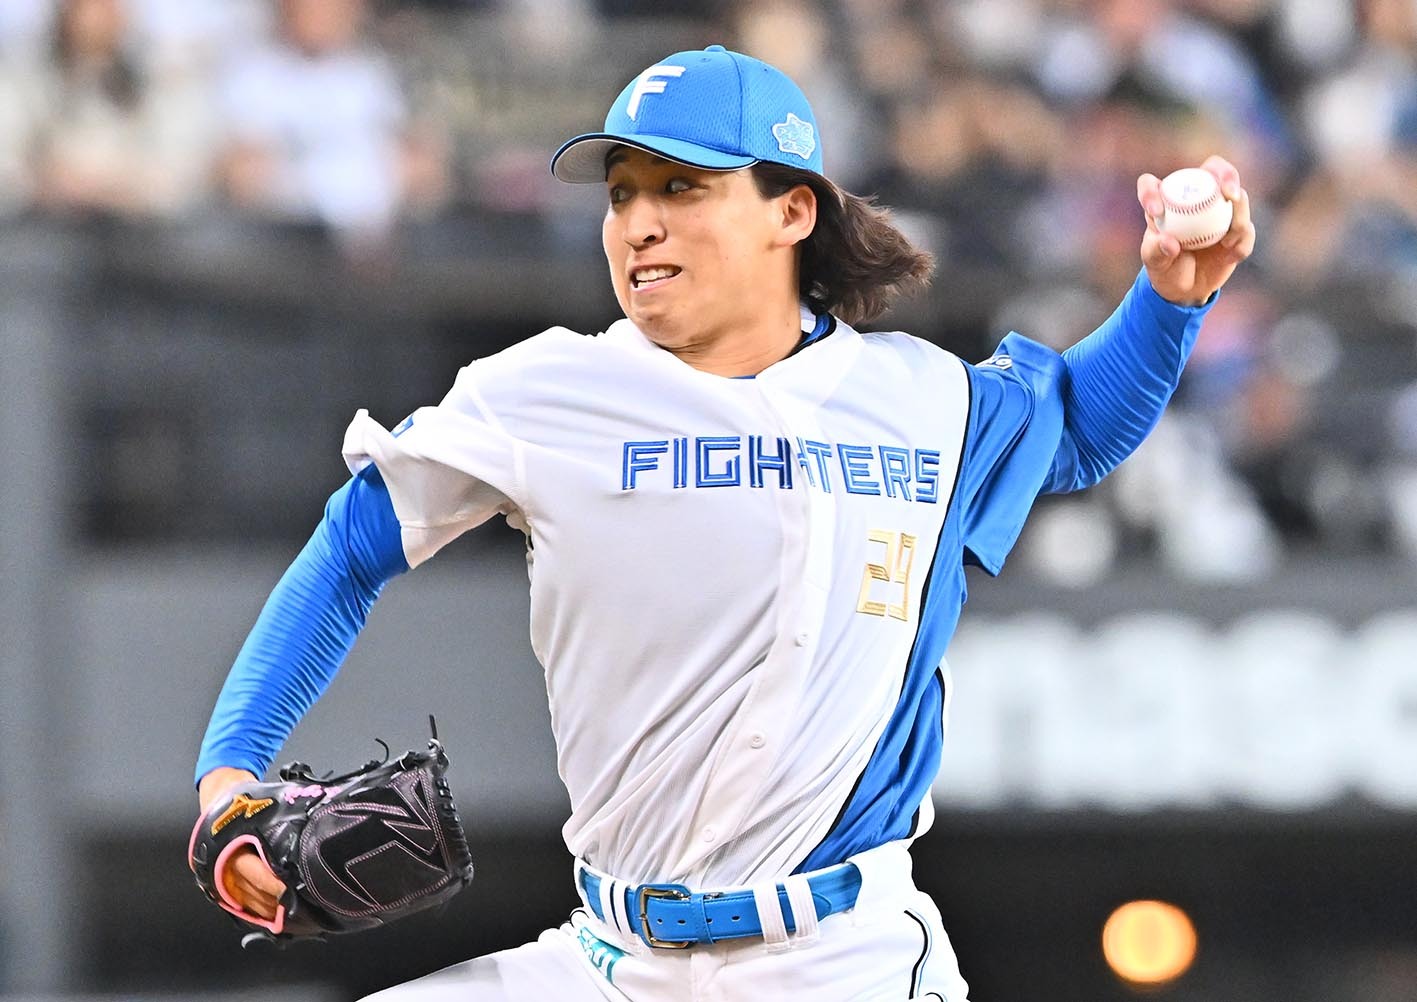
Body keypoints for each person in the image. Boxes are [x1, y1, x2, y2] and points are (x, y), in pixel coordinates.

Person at [194, 44, 1254, 1001]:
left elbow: (1077, 426)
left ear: (791, 212)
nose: (638, 221)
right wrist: (231, 772)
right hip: (609, 958)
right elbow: (349, 552)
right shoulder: (542, 394)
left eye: (680, 186)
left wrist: (1167, 299)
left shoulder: (926, 399)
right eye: (621, 192)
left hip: (843, 961)